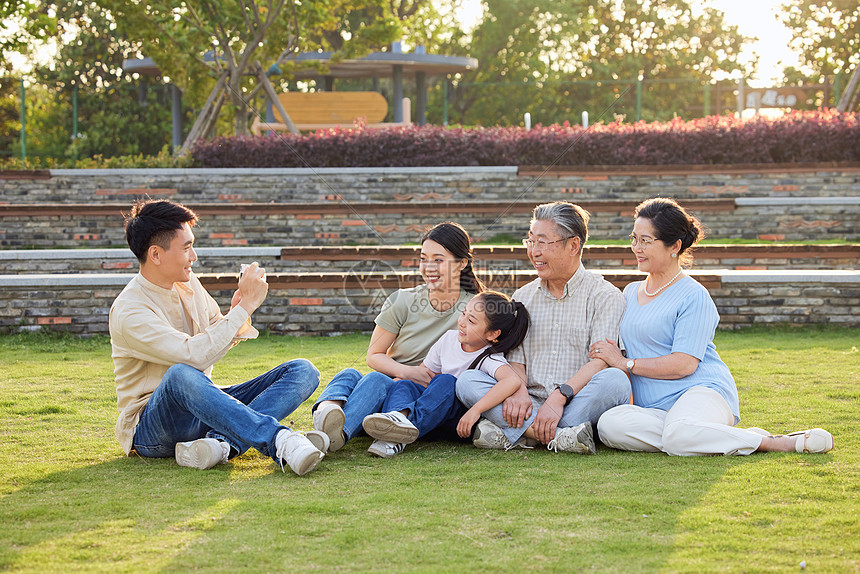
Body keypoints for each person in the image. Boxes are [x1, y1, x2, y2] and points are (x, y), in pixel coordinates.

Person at [592, 197, 834, 456]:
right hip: (655, 409)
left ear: (674, 246)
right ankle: (711, 437)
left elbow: (684, 364)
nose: (635, 248)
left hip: (701, 391)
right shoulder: (629, 293)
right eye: (634, 238)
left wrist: (625, 363)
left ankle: (772, 442)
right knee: (610, 425)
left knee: (679, 433)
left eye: (645, 241)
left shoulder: (693, 296)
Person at [110, 199, 327, 476]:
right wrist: (246, 307)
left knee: (302, 371)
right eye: (187, 247)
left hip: (200, 407)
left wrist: (236, 311)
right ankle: (280, 440)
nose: (194, 256)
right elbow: (195, 356)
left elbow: (216, 330)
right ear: (155, 254)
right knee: (180, 375)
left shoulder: (188, 283)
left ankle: (219, 445)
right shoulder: (130, 310)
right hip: (152, 426)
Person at [456, 201, 631, 454]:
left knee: (615, 381)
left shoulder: (605, 295)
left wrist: (560, 397)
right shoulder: (523, 296)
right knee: (468, 380)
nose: (534, 251)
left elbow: (601, 361)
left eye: (542, 242)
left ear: (573, 245)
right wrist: (517, 391)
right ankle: (561, 437)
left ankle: (522, 434)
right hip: (527, 401)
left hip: (574, 400)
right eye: (531, 241)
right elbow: (515, 358)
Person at [312, 222, 483, 452]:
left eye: (438, 260)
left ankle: (342, 430)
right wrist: (407, 373)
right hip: (391, 386)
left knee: (379, 381)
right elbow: (374, 355)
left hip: (431, 397)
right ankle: (330, 423)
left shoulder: (474, 308)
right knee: (352, 375)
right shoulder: (401, 300)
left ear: (462, 263)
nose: (428, 267)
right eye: (424, 259)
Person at [360, 291, 530, 457]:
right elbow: (425, 375)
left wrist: (476, 410)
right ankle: (396, 421)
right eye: (463, 313)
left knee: (446, 381)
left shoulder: (489, 357)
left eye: (471, 321)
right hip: (432, 414)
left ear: (492, 334)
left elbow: (511, 381)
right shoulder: (449, 339)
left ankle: (394, 435)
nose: (462, 322)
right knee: (406, 383)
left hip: (457, 420)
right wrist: (394, 385)